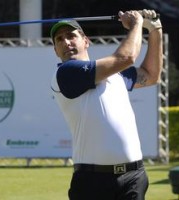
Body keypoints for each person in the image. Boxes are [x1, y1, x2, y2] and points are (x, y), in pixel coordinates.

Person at [50, 9, 162, 200]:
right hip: (92, 181)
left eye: (71, 36)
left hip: (133, 176)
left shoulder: (114, 74)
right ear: (55, 50)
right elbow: (126, 58)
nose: (66, 42)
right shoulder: (66, 73)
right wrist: (137, 24)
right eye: (59, 40)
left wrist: (154, 29)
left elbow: (151, 76)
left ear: (86, 41)